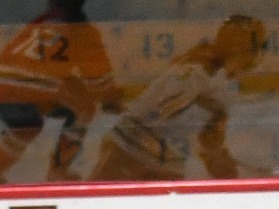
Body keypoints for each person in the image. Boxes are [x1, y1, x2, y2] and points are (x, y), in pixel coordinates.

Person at [86, 14, 265, 182]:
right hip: (131, 149)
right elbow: (160, 117)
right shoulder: (196, 74)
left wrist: (219, 158)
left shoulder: (213, 80)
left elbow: (207, 138)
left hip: (163, 157)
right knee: (93, 203)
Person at [0, 0, 120, 183]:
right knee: (85, 108)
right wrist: (113, 101)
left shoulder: (40, 22)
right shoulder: (84, 32)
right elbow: (100, 84)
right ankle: (58, 171)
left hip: (5, 78)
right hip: (32, 85)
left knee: (26, 127)